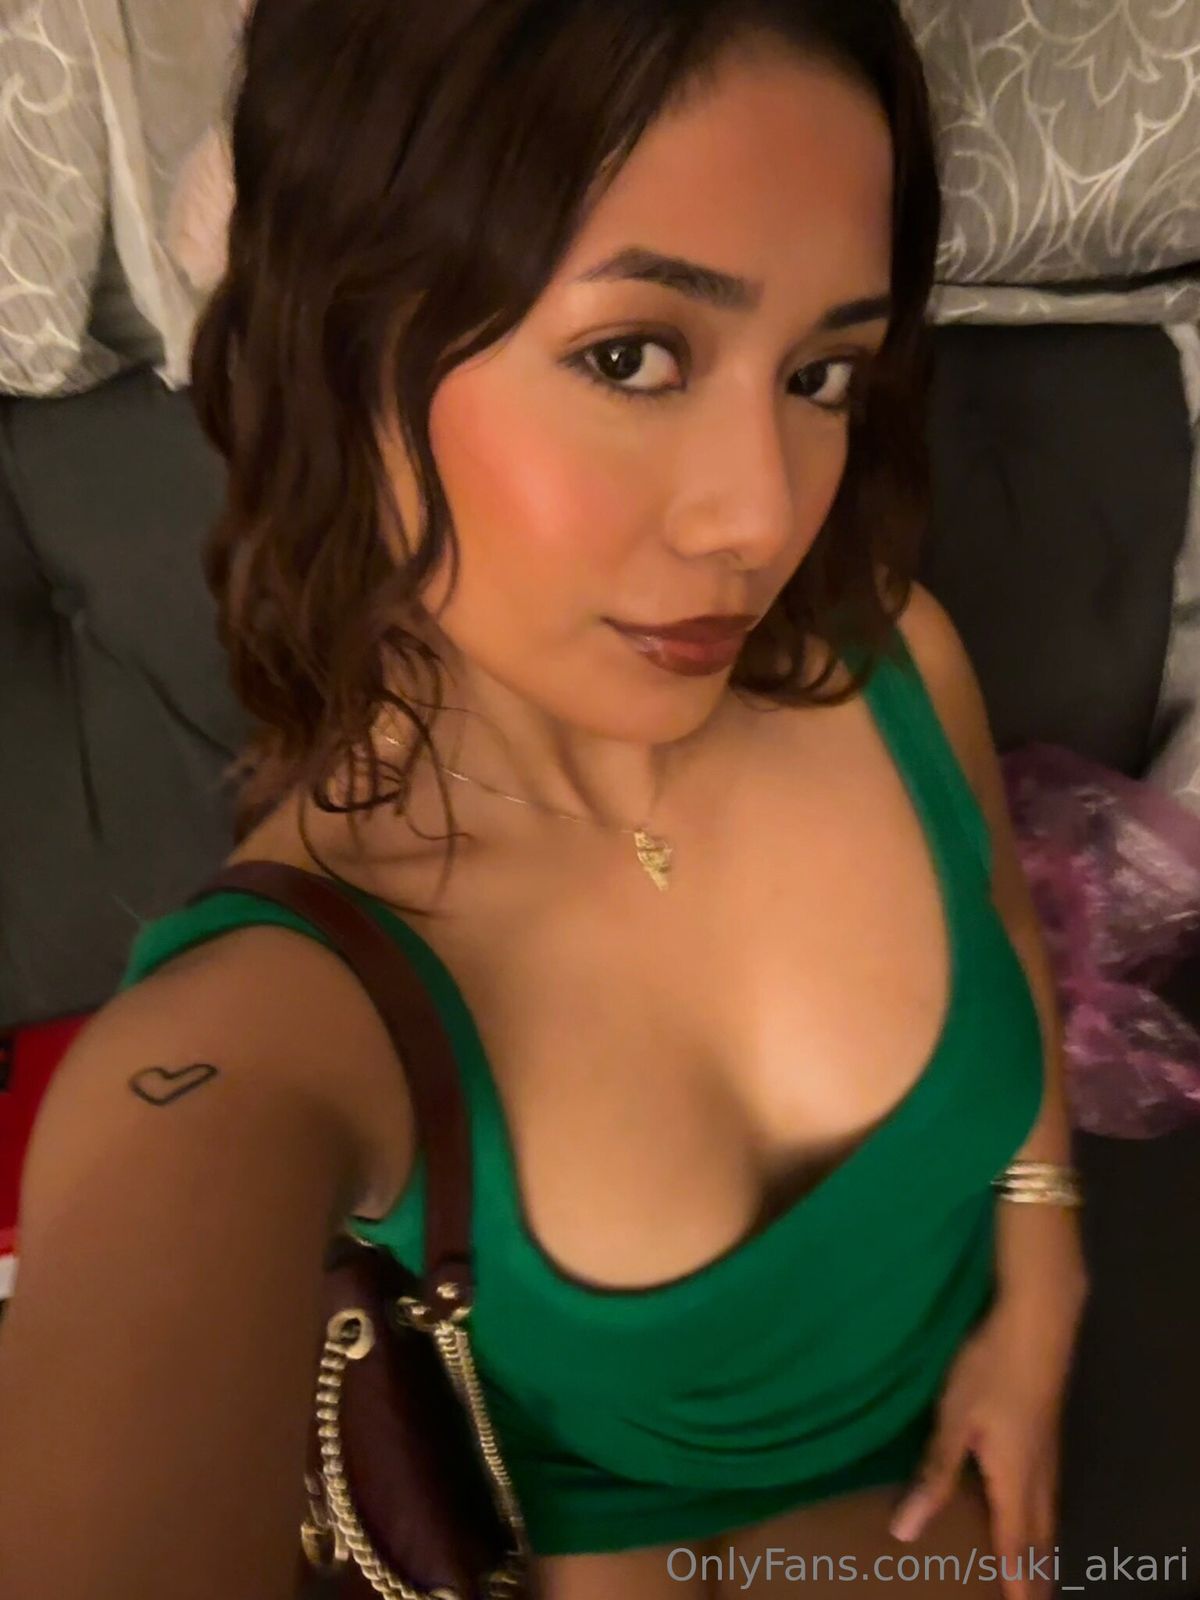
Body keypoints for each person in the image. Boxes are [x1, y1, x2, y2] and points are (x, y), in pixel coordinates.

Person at [0, 1, 1089, 1596]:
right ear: (343, 348)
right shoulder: (280, 1017)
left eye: (821, 372)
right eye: (632, 355)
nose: (760, 516)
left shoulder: (896, 662)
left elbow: (1002, 923)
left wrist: (1044, 1273)